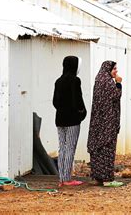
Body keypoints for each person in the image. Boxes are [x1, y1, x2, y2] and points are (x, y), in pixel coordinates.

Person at [87, 60, 123, 187]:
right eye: (114, 69)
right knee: (107, 148)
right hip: (107, 122)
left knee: (98, 149)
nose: (116, 71)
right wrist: (118, 84)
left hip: (98, 122)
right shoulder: (108, 82)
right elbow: (116, 96)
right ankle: (108, 179)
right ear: (108, 70)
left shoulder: (99, 79)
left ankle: (98, 178)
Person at [53, 56, 87, 187]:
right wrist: (81, 113)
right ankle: (67, 179)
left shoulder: (58, 81)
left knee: (62, 147)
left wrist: (62, 110)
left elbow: (55, 102)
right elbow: (78, 100)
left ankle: (61, 178)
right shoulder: (75, 80)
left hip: (60, 118)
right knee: (70, 148)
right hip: (72, 120)